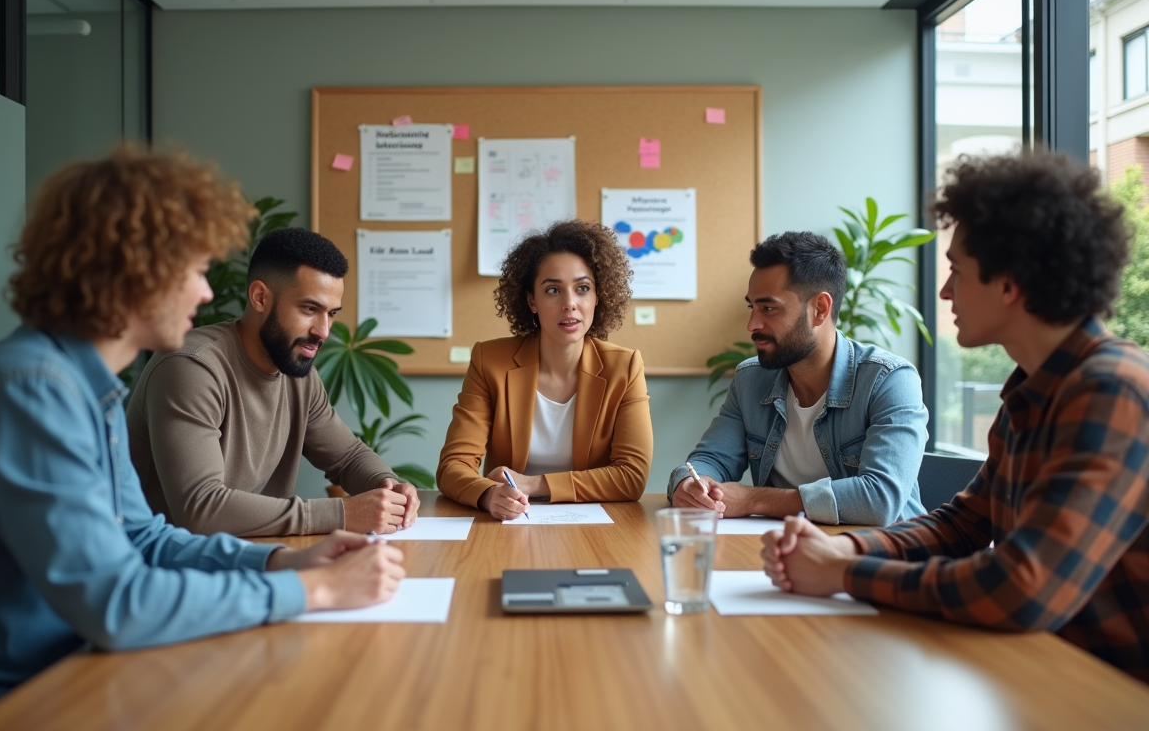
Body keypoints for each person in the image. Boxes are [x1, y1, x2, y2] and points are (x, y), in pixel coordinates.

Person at [0, 147, 406, 726]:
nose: (207, 292)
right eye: (192, 270)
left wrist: (284, 567)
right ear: (129, 269)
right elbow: (115, 602)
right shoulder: (30, 391)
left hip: (75, 677)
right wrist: (316, 594)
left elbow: (147, 541)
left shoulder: (91, 389)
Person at [761, 150, 1149, 683]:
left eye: (957, 272)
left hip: (1114, 699)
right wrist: (844, 544)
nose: (945, 291)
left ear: (1009, 284)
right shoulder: (1034, 391)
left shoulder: (1113, 391)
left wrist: (846, 571)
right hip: (1044, 673)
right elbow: (961, 525)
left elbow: (1024, 587)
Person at [126, 227, 420, 537]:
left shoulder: (296, 373)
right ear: (260, 297)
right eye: (310, 309)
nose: (323, 331)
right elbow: (201, 508)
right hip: (164, 569)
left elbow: (348, 457)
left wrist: (389, 485)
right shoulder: (191, 367)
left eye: (331, 314)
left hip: (250, 558)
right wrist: (342, 514)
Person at [669, 231, 928, 526]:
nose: (752, 324)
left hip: (878, 557)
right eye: (751, 307)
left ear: (820, 309)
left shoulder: (889, 380)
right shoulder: (750, 380)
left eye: (768, 308)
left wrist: (754, 499)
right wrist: (691, 486)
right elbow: (711, 459)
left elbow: (880, 499)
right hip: (781, 550)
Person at [437, 219, 652, 520]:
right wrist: (488, 494)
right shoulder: (491, 361)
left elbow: (631, 476)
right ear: (531, 301)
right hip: (510, 523)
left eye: (582, 288)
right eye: (553, 290)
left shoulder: (624, 367)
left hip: (595, 527)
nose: (570, 304)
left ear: (597, 297)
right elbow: (453, 465)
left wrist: (534, 484)